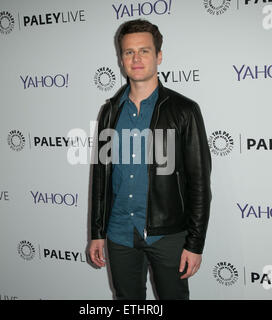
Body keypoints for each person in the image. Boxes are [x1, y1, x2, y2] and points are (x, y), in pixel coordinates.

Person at [89, 19, 212, 300]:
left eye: (144, 51)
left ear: (158, 56)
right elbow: (101, 177)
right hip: (119, 234)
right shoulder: (109, 112)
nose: (136, 58)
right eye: (129, 52)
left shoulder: (184, 110)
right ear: (121, 59)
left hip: (167, 236)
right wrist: (97, 232)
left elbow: (200, 183)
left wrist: (195, 243)